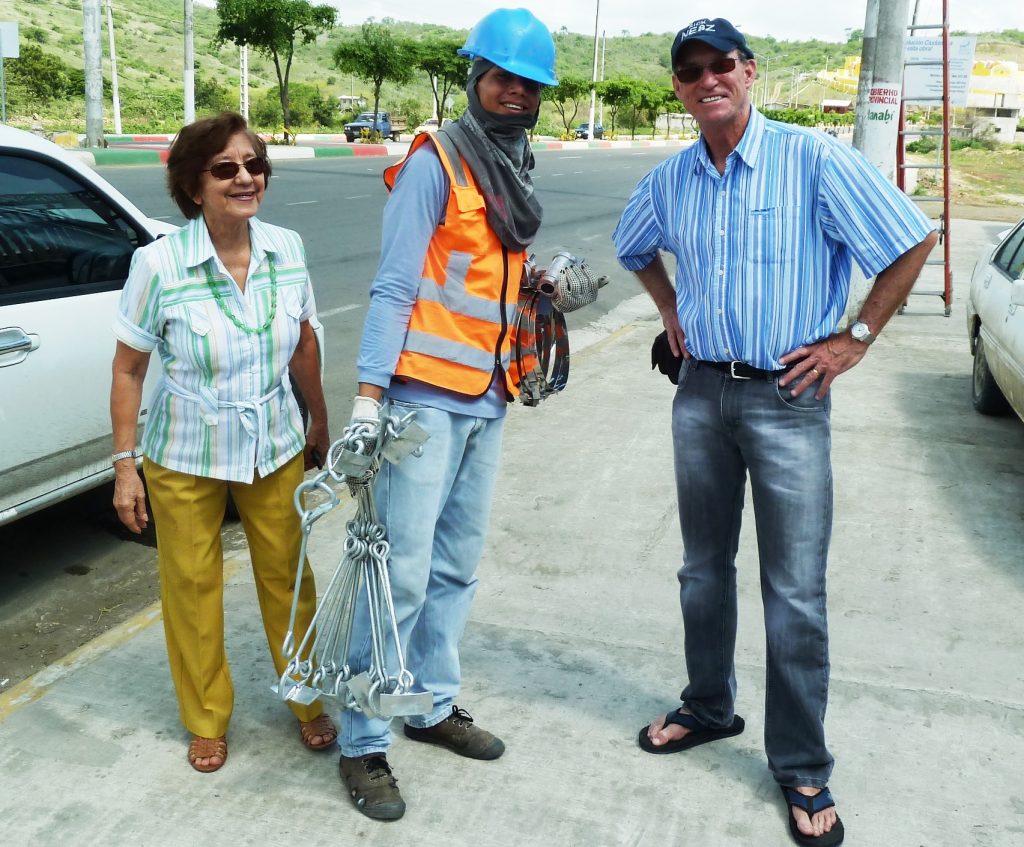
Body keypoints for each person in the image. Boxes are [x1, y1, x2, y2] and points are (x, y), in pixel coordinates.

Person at [613, 17, 937, 847]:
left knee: (794, 593)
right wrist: (669, 306)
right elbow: (632, 244)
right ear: (680, 88)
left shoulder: (813, 159)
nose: (706, 79)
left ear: (749, 71)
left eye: (721, 64)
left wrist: (853, 339)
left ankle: (800, 764)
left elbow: (909, 239)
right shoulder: (675, 177)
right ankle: (709, 705)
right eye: (690, 71)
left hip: (788, 400)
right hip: (699, 395)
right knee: (701, 570)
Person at [335, 8, 558, 821]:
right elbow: (395, 284)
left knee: (456, 567)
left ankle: (428, 705)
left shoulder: (515, 165)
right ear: (475, 79)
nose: (514, 92)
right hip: (422, 398)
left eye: (528, 84)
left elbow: (488, 279)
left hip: (488, 397)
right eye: (501, 77)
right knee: (395, 572)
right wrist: (367, 397)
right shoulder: (437, 161)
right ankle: (363, 739)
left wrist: (539, 288)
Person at [109, 112, 336, 773]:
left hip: (273, 440)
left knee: (290, 577)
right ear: (194, 184)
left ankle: (306, 696)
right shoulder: (158, 263)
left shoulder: (287, 247)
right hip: (184, 453)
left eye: (255, 164)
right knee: (191, 583)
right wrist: (126, 467)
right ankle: (206, 717)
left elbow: (305, 343)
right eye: (226, 168)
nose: (246, 178)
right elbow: (128, 369)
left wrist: (319, 420)